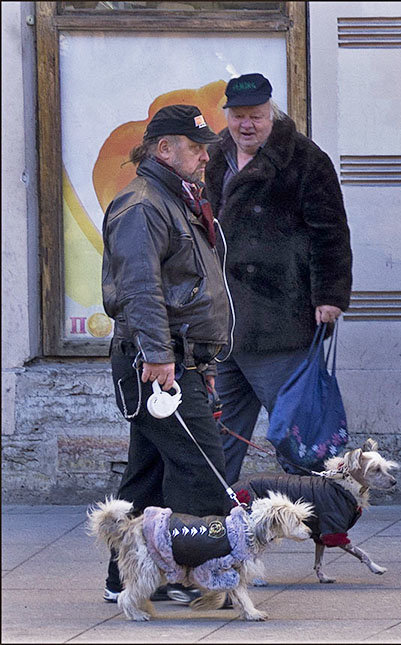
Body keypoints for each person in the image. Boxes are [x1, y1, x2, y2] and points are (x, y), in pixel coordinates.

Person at [100, 104, 234, 604]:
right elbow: (140, 289)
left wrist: (200, 360)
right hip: (155, 361)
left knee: (149, 476)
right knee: (202, 471)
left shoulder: (172, 197)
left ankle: (126, 581)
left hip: (175, 358)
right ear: (164, 149)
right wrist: (160, 357)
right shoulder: (143, 204)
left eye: (204, 148)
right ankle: (194, 576)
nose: (204, 157)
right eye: (195, 147)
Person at [204, 73, 353, 484]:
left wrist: (330, 295)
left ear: (272, 113)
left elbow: (331, 231)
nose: (246, 125)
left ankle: (324, 502)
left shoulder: (305, 159)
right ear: (228, 116)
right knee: (224, 428)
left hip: (279, 316)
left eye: (256, 116)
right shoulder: (216, 157)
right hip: (227, 320)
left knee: (295, 425)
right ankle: (214, 512)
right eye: (238, 116)